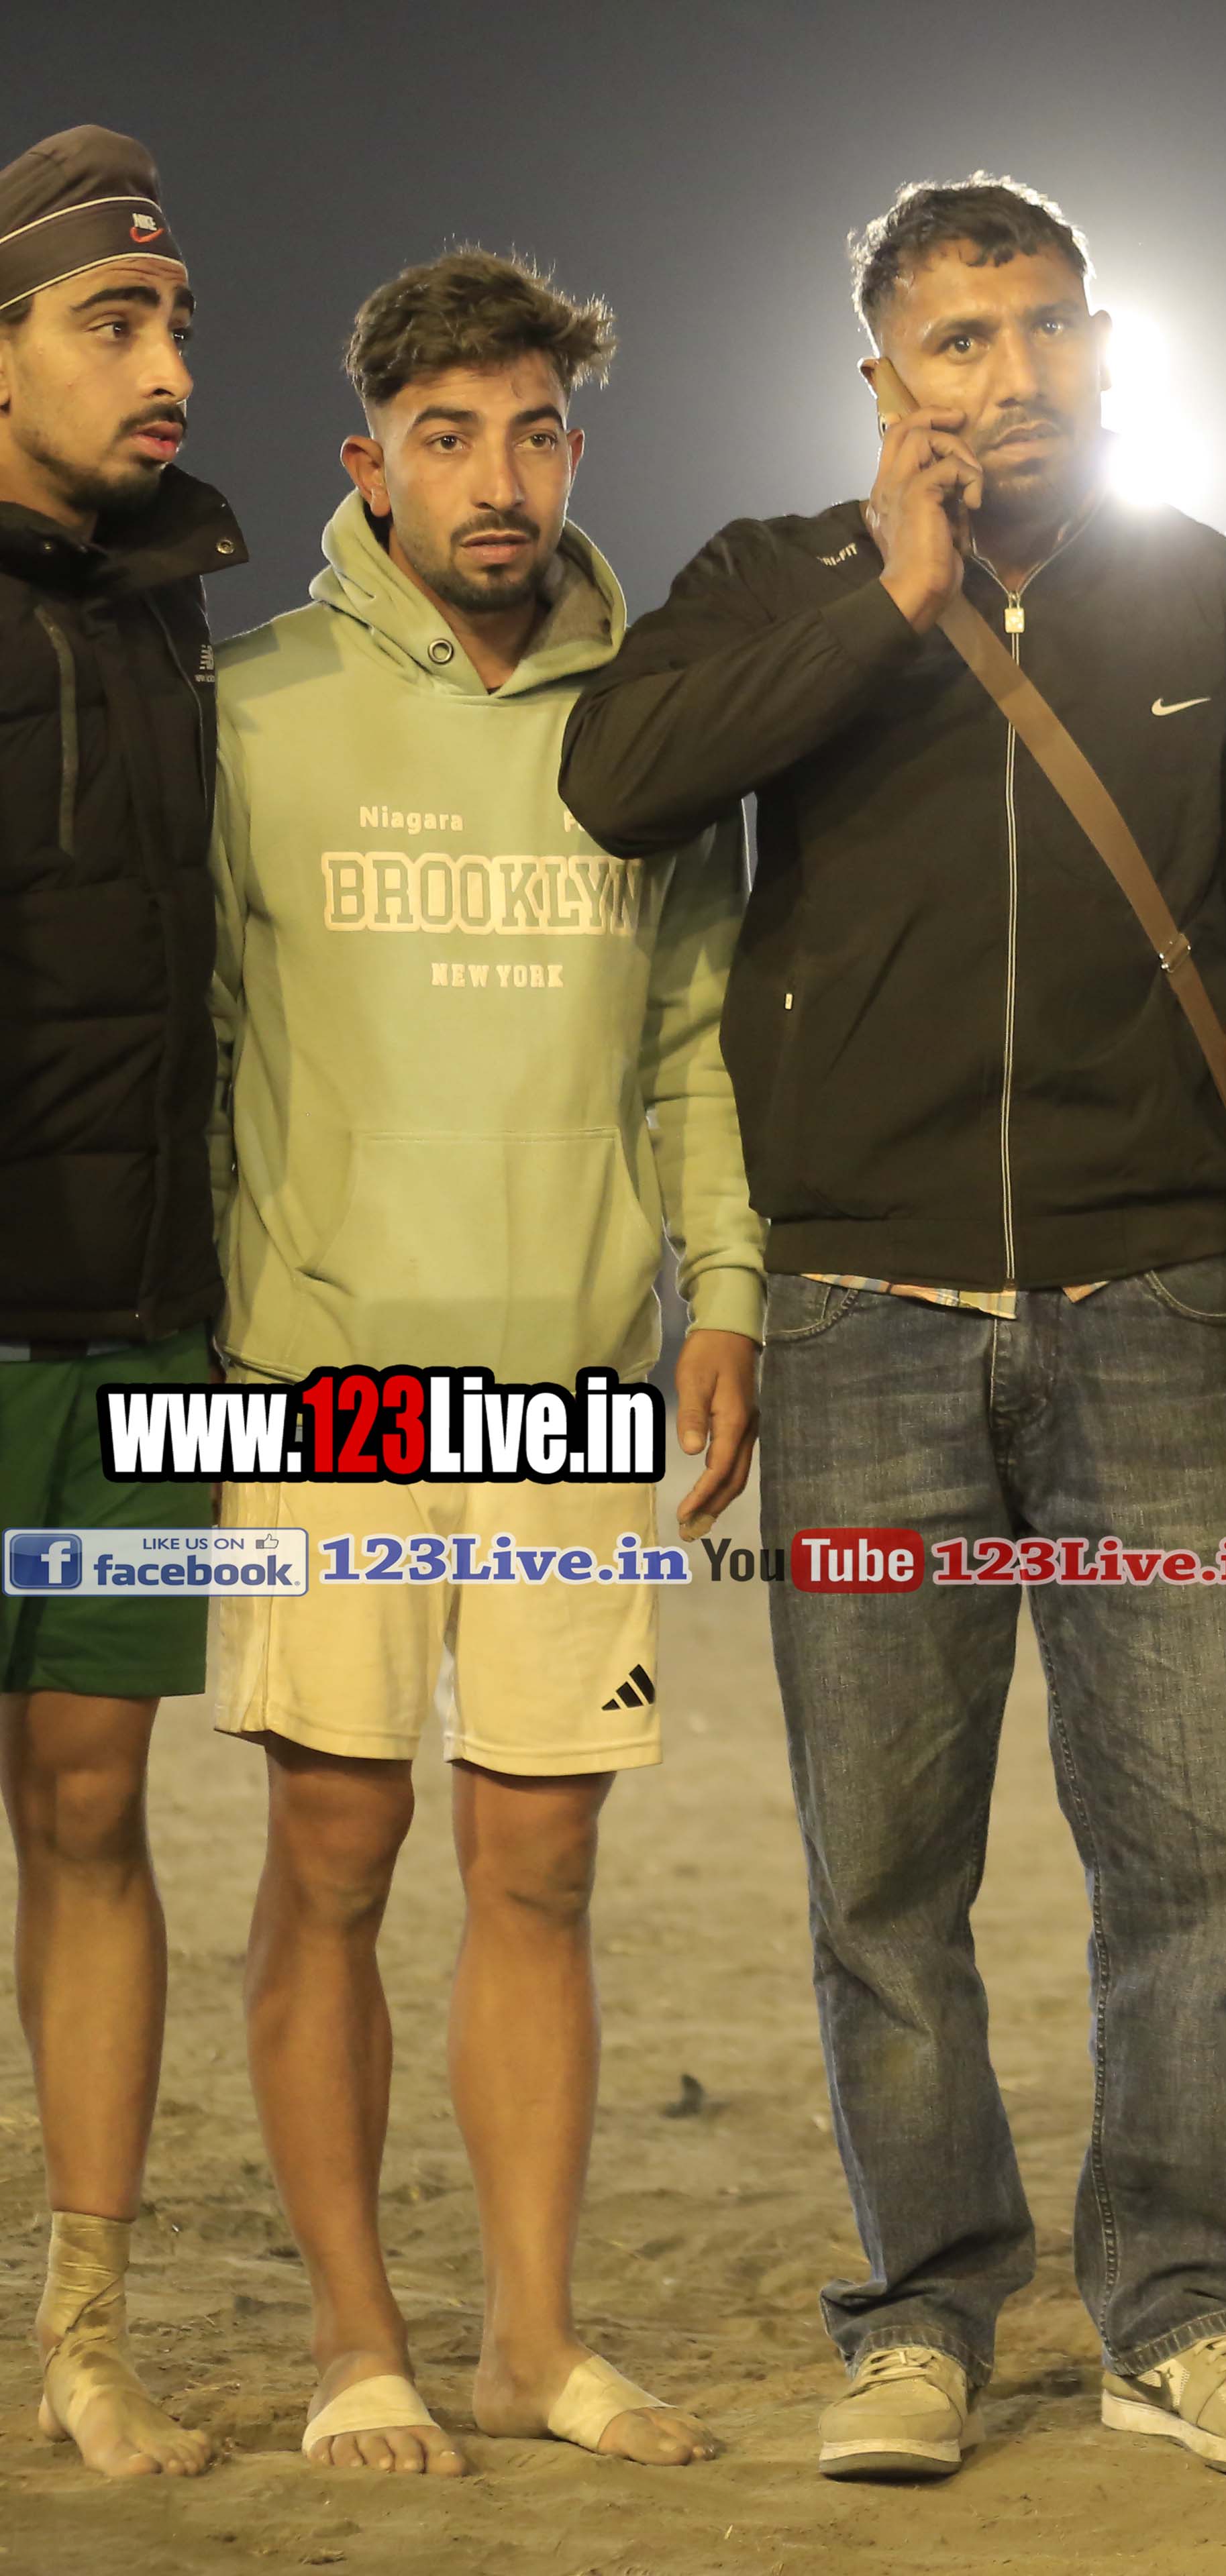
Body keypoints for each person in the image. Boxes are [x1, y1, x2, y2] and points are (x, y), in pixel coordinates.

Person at [559, 174, 1226, 2483]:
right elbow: (618, 778)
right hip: (864, 1327)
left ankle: (1182, 2311)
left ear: (1103, 346)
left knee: (1193, 1867)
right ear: (883, 380)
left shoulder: (1219, 603)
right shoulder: (775, 580)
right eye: (956, 341)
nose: (1008, 377)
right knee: (885, 1882)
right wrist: (890, 603)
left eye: (1043, 330)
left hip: (1161, 1315)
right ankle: (918, 2317)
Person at [203, 250, 754, 2477]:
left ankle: (533, 2341)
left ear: (574, 451)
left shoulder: (650, 727)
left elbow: (696, 1048)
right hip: (324, 1381)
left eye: (531, 433)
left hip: (572, 1383)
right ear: (370, 467)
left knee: (540, 1873)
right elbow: (191, 1046)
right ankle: (360, 2345)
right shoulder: (253, 712)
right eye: (448, 438)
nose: (496, 478)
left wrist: (726, 1296)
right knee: (334, 1855)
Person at [0, 121, 240, 2485]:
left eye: (173, 321)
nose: (165, 365)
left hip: (134, 1338)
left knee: (92, 1813)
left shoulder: (183, 623)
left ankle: (84, 2334)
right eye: (111, 321)